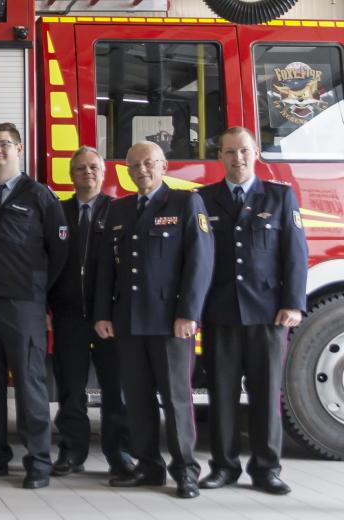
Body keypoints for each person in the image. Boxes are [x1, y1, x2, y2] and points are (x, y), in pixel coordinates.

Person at [94, 141, 213, 499]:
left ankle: (185, 470)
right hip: (128, 320)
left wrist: (188, 314)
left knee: (176, 400)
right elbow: (106, 269)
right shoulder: (119, 209)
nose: (141, 170)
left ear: (163, 166)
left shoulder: (185, 202)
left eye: (148, 163)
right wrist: (102, 314)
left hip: (169, 322)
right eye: (133, 165)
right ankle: (148, 466)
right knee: (138, 398)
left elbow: (200, 263)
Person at [198, 127, 307, 495]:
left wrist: (293, 303)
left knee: (265, 394)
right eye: (229, 152)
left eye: (243, 151)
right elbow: (195, 261)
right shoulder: (203, 199)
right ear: (220, 156)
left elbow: (295, 254)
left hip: (267, 314)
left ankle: (266, 469)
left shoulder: (279, 197)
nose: (237, 158)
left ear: (256, 151)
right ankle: (223, 467)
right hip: (220, 314)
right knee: (222, 394)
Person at [0, 122, 68, 489]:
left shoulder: (40, 195)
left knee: (29, 386)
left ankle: (38, 462)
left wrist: (38, 294)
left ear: (19, 149)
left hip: (23, 306)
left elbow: (59, 253)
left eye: (4, 144)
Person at [47, 146, 134, 478]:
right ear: (70, 175)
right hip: (68, 316)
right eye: (80, 168)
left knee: (116, 389)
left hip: (109, 318)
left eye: (94, 167)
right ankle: (72, 452)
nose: (88, 173)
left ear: (104, 172)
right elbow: (44, 263)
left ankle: (120, 455)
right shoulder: (57, 212)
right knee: (70, 389)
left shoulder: (120, 212)